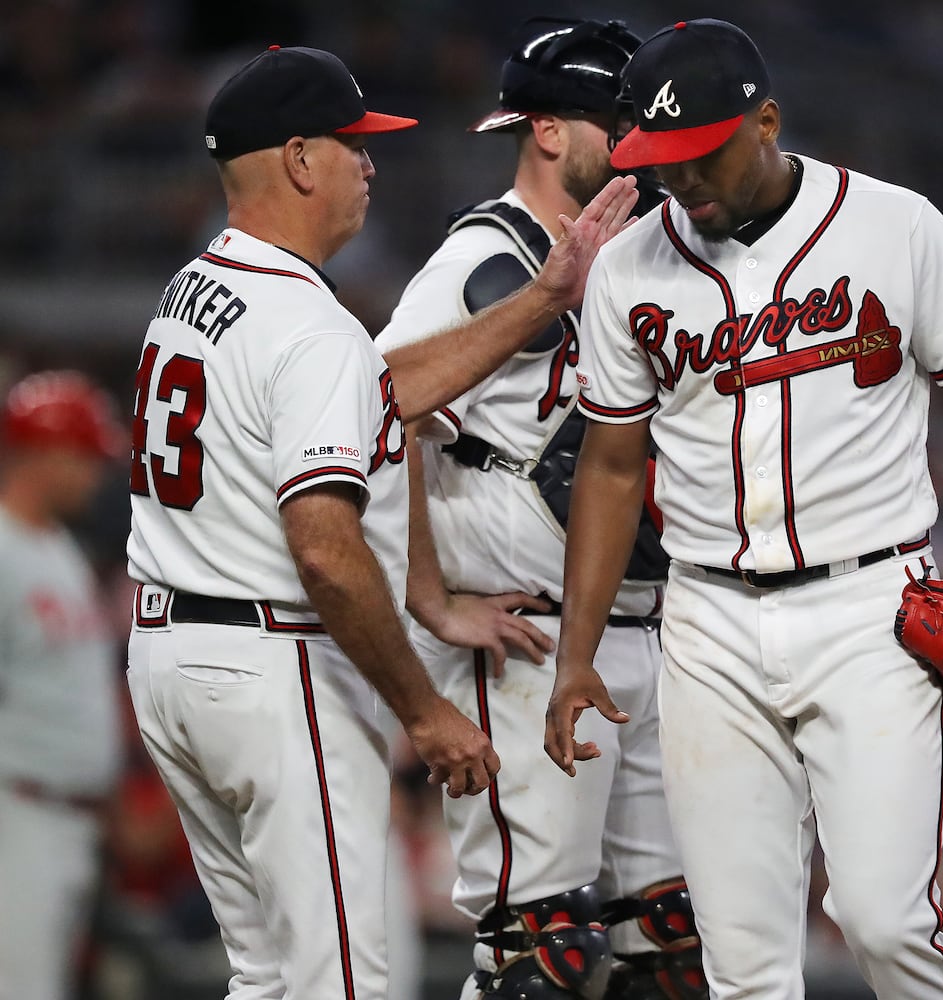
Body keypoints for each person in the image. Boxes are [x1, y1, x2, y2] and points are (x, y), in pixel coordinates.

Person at [543, 19, 943, 999]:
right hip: (706, 620)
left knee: (884, 921)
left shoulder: (894, 224)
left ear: (765, 122)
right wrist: (577, 651)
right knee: (741, 957)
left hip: (869, 608)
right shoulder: (628, 267)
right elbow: (612, 468)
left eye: (698, 155)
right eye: (660, 163)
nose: (681, 183)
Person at [125, 45, 631, 1000]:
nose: (370, 165)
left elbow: (381, 398)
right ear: (300, 160)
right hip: (276, 664)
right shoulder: (309, 326)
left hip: (172, 654)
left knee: (268, 978)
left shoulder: (193, 289)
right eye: (354, 145)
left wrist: (544, 298)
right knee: (349, 985)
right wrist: (425, 711)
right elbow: (323, 546)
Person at [375, 17, 701, 1000]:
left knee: (673, 946)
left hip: (650, 629)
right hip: (526, 640)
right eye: (617, 122)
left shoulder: (652, 254)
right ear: (549, 130)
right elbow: (378, 397)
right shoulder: (491, 251)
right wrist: (430, 596)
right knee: (539, 954)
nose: (637, 144)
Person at [0, 372, 124, 1000]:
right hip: (16, 811)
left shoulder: (59, 547)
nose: (97, 475)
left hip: (66, 821)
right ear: (45, 451)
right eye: (86, 457)